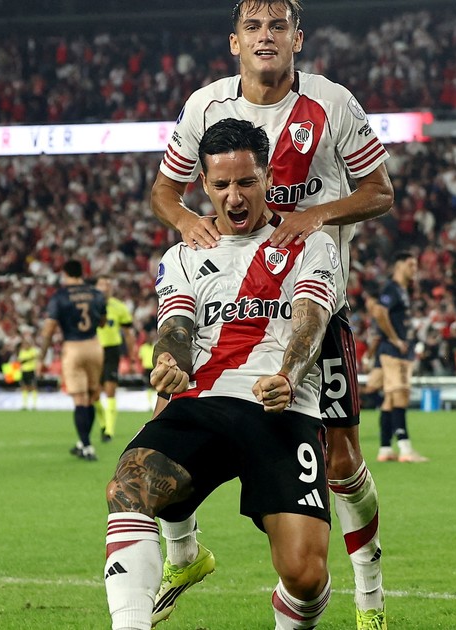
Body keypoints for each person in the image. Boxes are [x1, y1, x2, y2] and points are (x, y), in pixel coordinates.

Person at [148, 2, 394, 627]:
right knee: (168, 410)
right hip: (225, 302)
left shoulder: (332, 104)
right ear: (235, 42)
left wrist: (316, 215)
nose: (266, 37)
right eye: (253, 27)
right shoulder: (205, 105)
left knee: (341, 460)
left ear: (297, 38)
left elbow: (381, 191)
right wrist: (186, 220)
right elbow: (164, 190)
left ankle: (370, 597)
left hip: (308, 306)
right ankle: (183, 553)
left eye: (277, 26)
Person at [105, 119, 339, 630]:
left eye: (247, 182)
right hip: (204, 403)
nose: (234, 196)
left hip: (282, 408)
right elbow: (176, 328)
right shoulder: (185, 253)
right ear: (204, 186)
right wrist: (169, 363)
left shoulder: (308, 243)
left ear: (269, 177)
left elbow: (311, 321)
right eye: (222, 184)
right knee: (129, 485)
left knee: (305, 576)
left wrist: (289, 375)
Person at [38, 259, 108, 460]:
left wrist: (41, 358)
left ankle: (86, 445)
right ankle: (83, 442)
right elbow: (102, 322)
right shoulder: (96, 294)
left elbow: (49, 329)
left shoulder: (60, 296)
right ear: (82, 273)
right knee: (92, 397)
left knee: (80, 399)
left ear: (65, 274)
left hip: (73, 347)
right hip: (94, 346)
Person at [370, 251, 428, 463]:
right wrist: (395, 339)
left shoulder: (402, 290)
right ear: (399, 265)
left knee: (389, 400)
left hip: (392, 351)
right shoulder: (392, 288)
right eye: (411, 265)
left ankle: (385, 448)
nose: (414, 269)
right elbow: (379, 312)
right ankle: (405, 449)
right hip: (394, 352)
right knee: (401, 395)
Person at [96, 276, 137, 442]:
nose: (105, 287)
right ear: (96, 287)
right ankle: (103, 423)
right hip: (94, 351)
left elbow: (128, 334)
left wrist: (132, 357)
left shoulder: (119, 307)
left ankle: (109, 431)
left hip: (112, 350)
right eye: (102, 284)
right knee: (94, 392)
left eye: (108, 284)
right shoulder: (90, 305)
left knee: (110, 389)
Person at [18, 333, 40, 411]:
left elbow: (35, 358)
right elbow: (20, 361)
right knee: (24, 387)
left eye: (26, 343)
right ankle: (25, 405)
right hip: (24, 371)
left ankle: (34, 405)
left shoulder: (33, 350)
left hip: (31, 370)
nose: (25, 345)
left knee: (33, 387)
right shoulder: (22, 351)